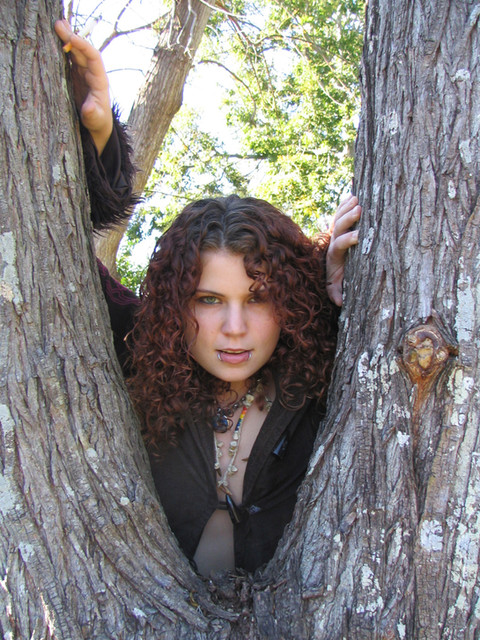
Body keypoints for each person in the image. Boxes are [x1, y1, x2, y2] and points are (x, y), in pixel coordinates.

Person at [55, 20, 361, 576]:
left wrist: (349, 294)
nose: (234, 327)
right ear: (176, 305)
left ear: (291, 300)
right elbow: (54, 252)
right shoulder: (140, 355)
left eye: (259, 298)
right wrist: (97, 137)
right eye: (209, 300)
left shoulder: (326, 376)